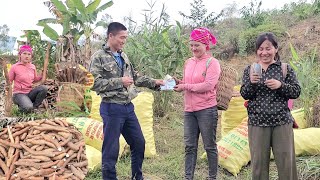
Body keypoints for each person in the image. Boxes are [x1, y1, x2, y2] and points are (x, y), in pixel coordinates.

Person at [89, 22, 164, 180]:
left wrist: (155, 82)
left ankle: (137, 177)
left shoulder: (123, 55)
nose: (124, 41)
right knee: (111, 150)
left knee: (139, 143)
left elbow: (135, 77)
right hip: (111, 108)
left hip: (128, 107)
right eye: (121, 37)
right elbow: (94, 84)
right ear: (111, 36)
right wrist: (119, 81)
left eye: (126, 38)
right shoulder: (98, 57)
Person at [240, 32, 300, 180]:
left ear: (276, 49)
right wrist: (252, 84)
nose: (264, 52)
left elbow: (296, 91)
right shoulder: (250, 70)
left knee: (287, 164)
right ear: (256, 51)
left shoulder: (285, 68)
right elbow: (244, 94)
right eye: (260, 49)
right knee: (259, 165)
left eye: (268, 48)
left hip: (281, 122)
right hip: (257, 123)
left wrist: (281, 85)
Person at [174, 27, 221, 180]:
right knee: (189, 147)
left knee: (209, 146)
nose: (194, 48)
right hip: (189, 111)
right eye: (192, 45)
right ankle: (188, 177)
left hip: (207, 109)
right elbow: (188, 83)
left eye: (197, 45)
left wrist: (185, 86)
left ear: (206, 45)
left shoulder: (212, 63)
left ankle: (212, 177)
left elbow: (208, 85)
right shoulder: (188, 62)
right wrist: (178, 83)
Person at [9, 45, 47, 113]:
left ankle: (34, 108)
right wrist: (7, 91)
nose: (27, 56)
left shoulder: (32, 66)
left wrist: (42, 74)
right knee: (27, 107)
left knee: (43, 88)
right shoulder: (14, 67)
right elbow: (9, 81)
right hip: (19, 94)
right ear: (20, 55)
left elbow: (35, 79)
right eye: (24, 53)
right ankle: (24, 108)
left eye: (29, 54)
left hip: (30, 93)